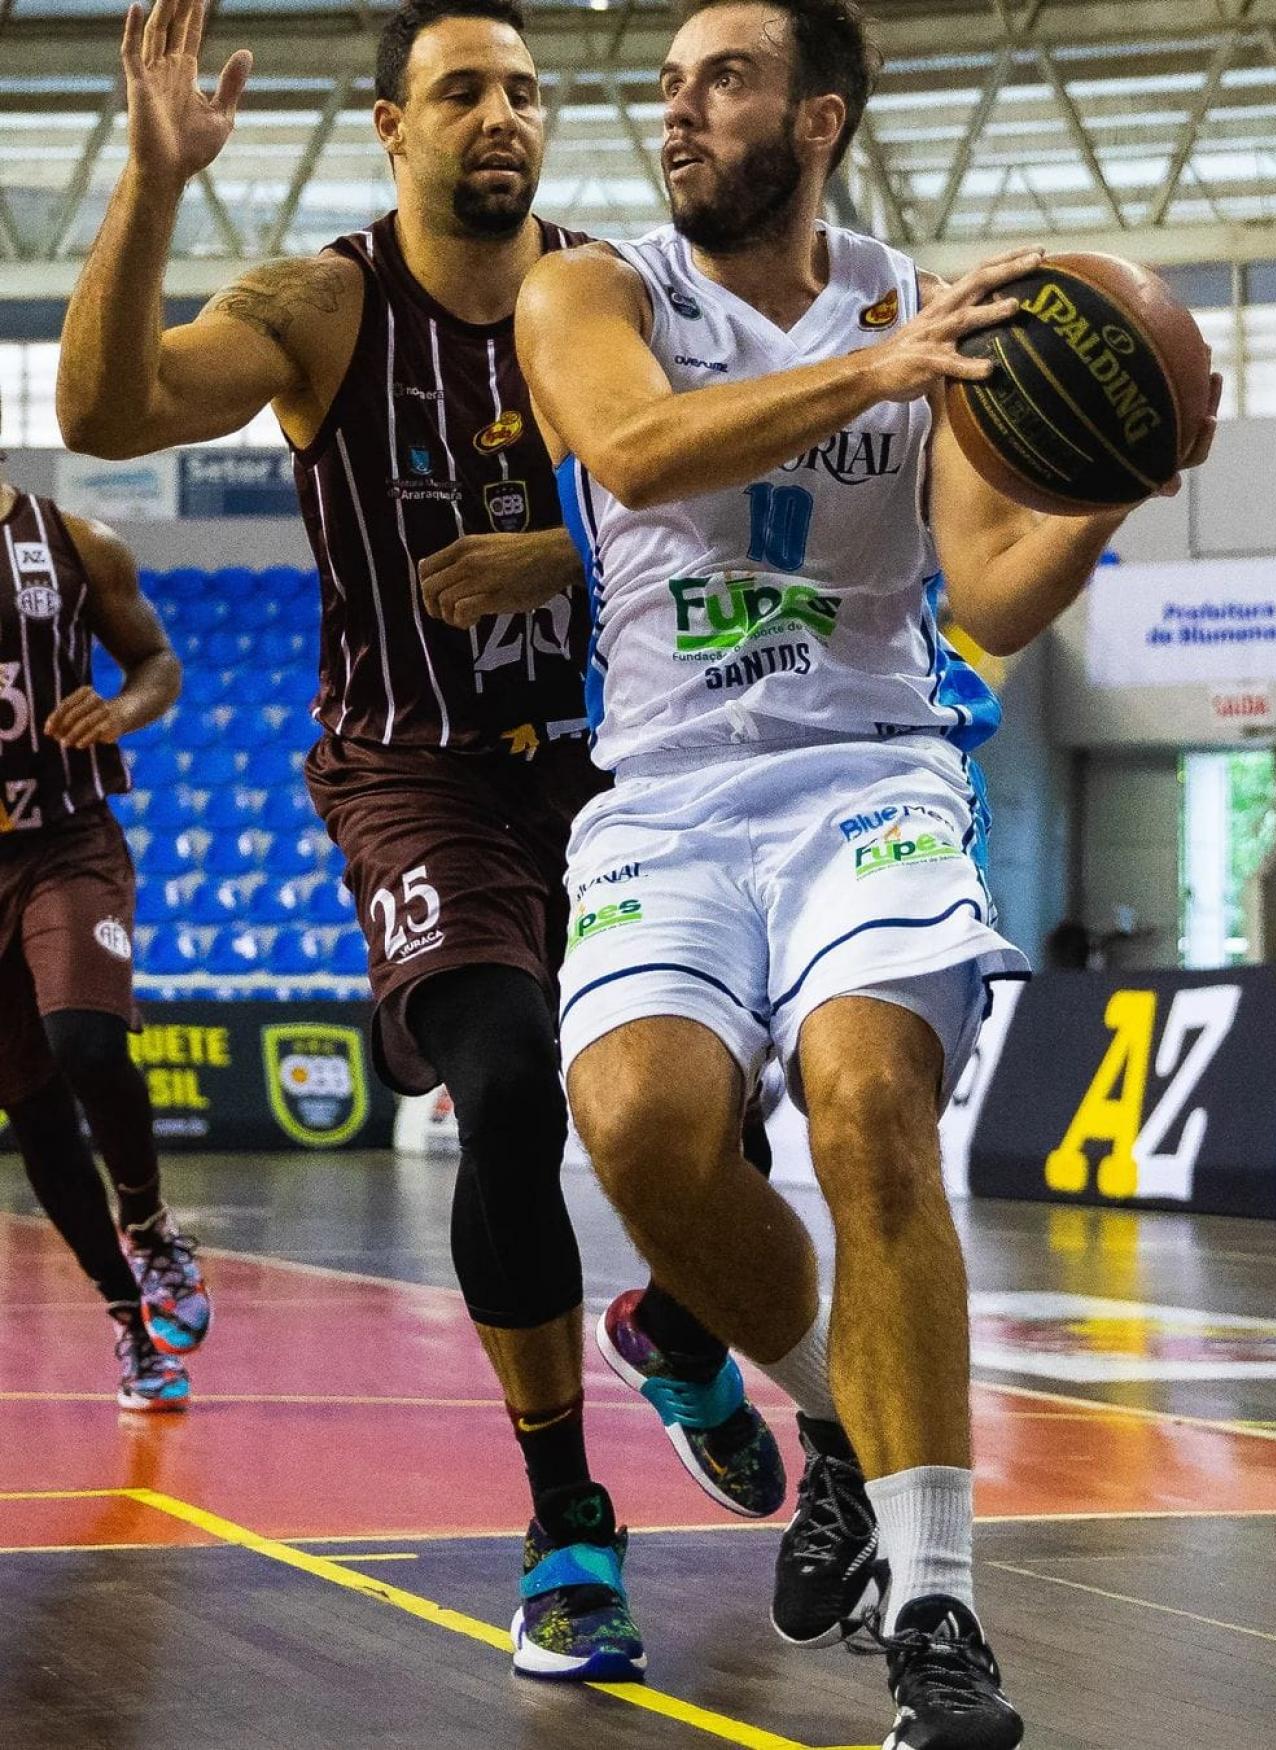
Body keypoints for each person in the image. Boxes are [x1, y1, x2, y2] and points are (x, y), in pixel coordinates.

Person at [517, 1, 1219, 1742]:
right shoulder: (591, 289)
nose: (679, 112)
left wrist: (1118, 479)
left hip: (870, 774)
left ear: (816, 117)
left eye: (723, 81)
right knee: (642, 1135)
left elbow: (982, 593)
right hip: (668, 789)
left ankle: (940, 1622)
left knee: (866, 1106)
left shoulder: (931, 312)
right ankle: (837, 1418)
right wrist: (878, 373)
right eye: (669, 85)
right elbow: (633, 453)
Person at [57, 0, 782, 1682]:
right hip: (416, 774)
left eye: (525, 91)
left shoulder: (606, 292)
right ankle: (564, 1525)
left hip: (618, 768)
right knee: (514, 1084)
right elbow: (108, 413)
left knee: (729, 1086)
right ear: (393, 125)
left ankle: (676, 1327)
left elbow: (722, 494)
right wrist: (153, 184)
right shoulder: (324, 302)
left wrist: (563, 558)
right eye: (463, 91)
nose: (503, 117)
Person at [0, 427, 211, 1412]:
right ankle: (130, 1324)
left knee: (83, 1038)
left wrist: (120, 712)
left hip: (66, 839)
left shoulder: (75, 541)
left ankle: (154, 1223)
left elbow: (158, 663)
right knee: (33, 1105)